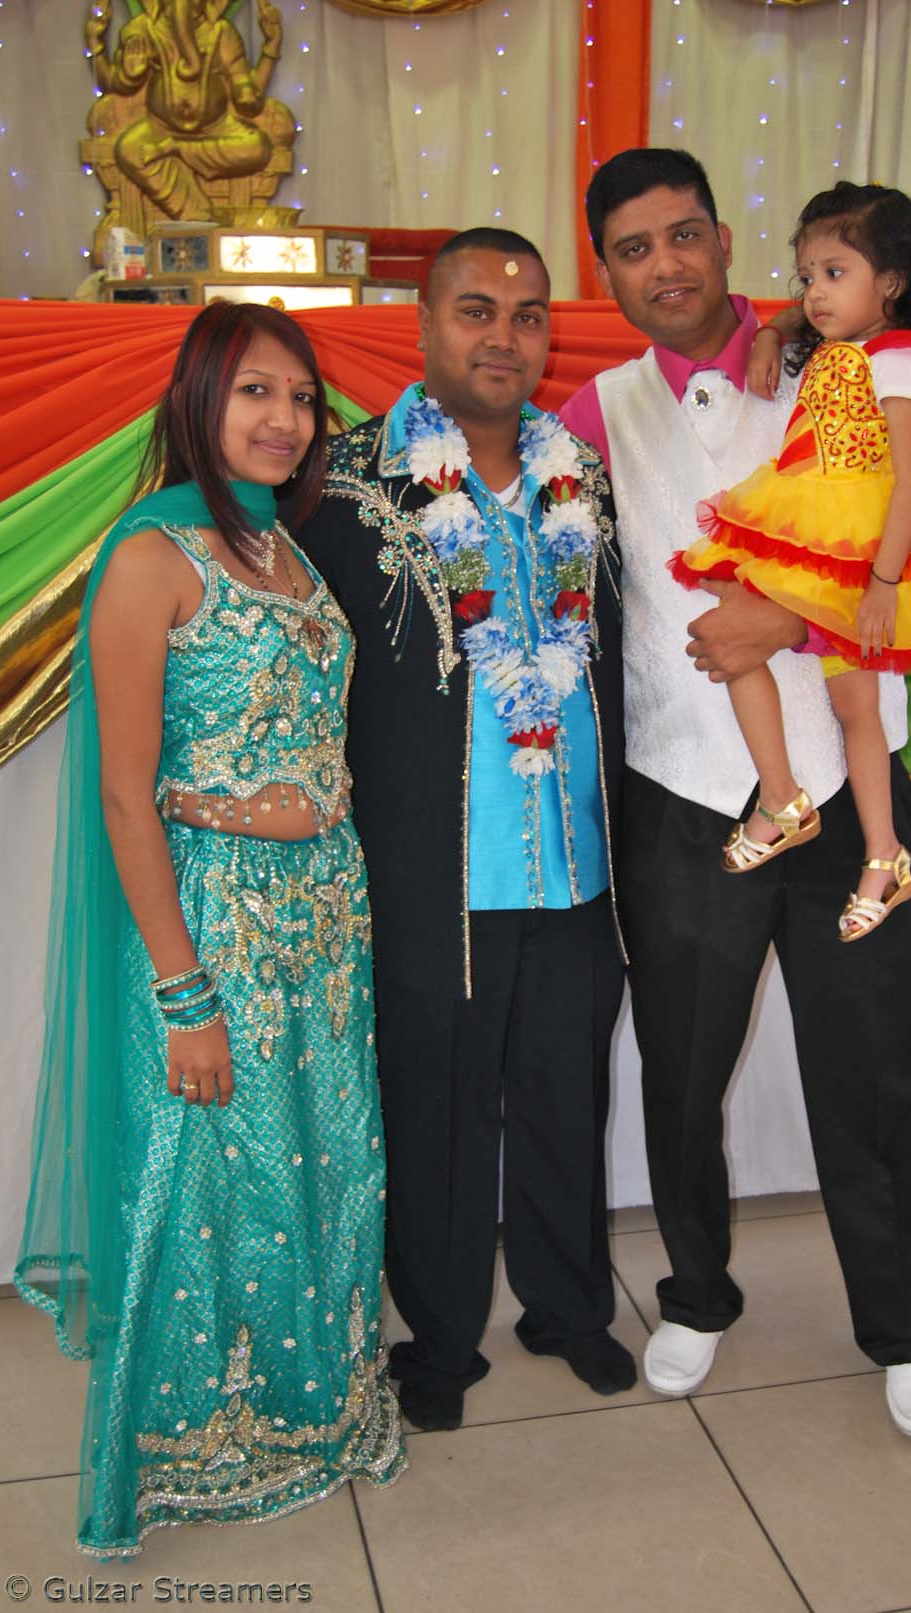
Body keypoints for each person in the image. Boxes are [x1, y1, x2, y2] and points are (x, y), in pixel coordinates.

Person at [560, 149, 911, 1438]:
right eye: (634, 249)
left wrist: (784, 614)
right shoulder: (597, 412)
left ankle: (904, 1325)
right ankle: (695, 1293)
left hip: (850, 785)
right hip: (683, 791)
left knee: (876, 1070)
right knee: (681, 1069)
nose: (665, 264)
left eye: (683, 234)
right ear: (608, 274)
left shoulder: (834, 352)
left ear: (725, 240)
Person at [16, 301, 404, 1558]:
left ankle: (316, 1413)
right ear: (198, 400)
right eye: (255, 391)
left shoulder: (284, 546)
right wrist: (183, 991)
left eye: (300, 396)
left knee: (323, 1162)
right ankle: (190, 1447)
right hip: (216, 921)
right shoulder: (155, 553)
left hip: (324, 922)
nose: (285, 419)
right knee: (206, 1178)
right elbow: (127, 792)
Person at [294, 227, 633, 1434]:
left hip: (577, 864)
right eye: (477, 309)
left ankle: (570, 1306)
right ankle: (437, 1337)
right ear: (426, 323)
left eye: (529, 314)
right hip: (433, 870)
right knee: (435, 1109)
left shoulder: (582, 479)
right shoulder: (344, 486)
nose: (505, 335)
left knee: (564, 1097)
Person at [673, 182, 911, 939]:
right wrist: (774, 331)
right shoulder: (838, 347)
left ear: (892, 281)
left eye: (834, 273)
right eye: (807, 275)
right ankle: (786, 797)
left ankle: (880, 854)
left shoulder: (902, 361)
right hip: (806, 525)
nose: (814, 292)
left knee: (855, 707)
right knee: (735, 629)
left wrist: (883, 583)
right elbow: (799, 318)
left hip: (857, 541)